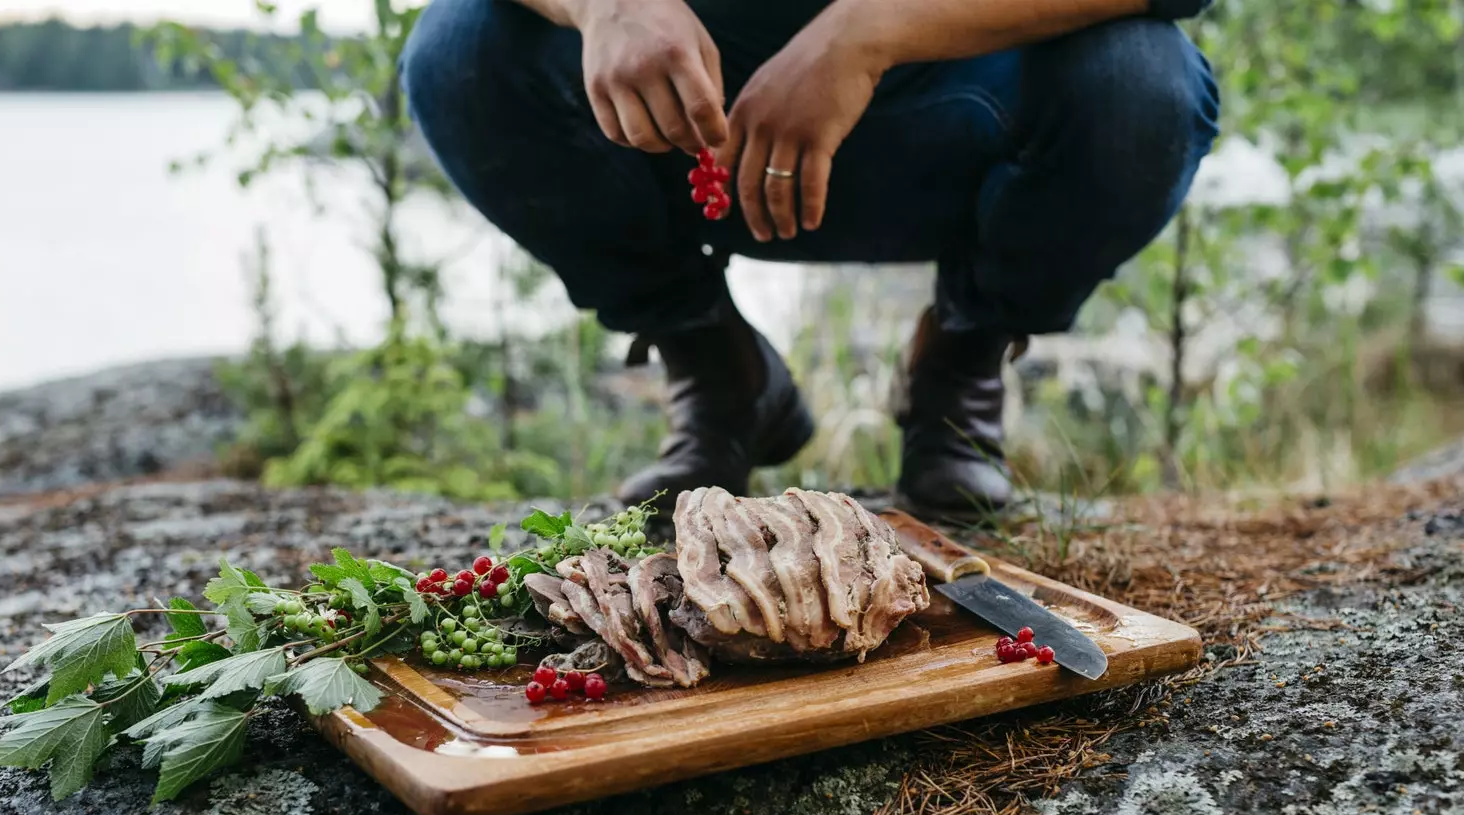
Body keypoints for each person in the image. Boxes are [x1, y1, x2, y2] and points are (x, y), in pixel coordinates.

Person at [402, 0, 1219, 520]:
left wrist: (865, 34)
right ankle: (720, 377)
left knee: (1144, 80)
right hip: (682, 117)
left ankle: (958, 370)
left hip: (958, 101)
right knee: (456, 49)